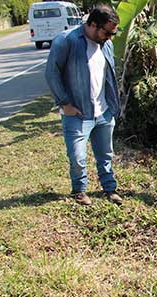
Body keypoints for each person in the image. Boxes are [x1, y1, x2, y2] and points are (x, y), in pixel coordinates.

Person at [44, 5, 123, 206]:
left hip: (103, 111)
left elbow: (107, 76)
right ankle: (79, 191)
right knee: (78, 158)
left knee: (106, 156)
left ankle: (109, 189)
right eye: (108, 32)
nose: (111, 37)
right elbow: (52, 73)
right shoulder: (67, 40)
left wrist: (112, 107)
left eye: (114, 33)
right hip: (77, 113)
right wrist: (64, 103)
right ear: (93, 24)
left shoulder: (106, 44)